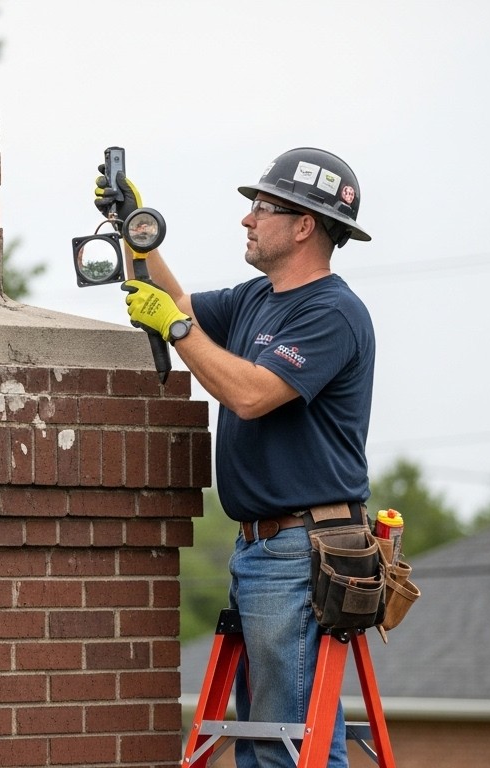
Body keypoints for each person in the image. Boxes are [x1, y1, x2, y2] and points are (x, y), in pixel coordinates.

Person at [108, 147, 375, 768]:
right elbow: (179, 305)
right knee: (274, 740)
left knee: (287, 746)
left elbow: (252, 393)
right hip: (263, 547)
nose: (247, 219)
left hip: (299, 547)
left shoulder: (331, 311)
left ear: (305, 224)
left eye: (262, 206)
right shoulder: (259, 298)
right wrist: (135, 233)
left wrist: (176, 331)